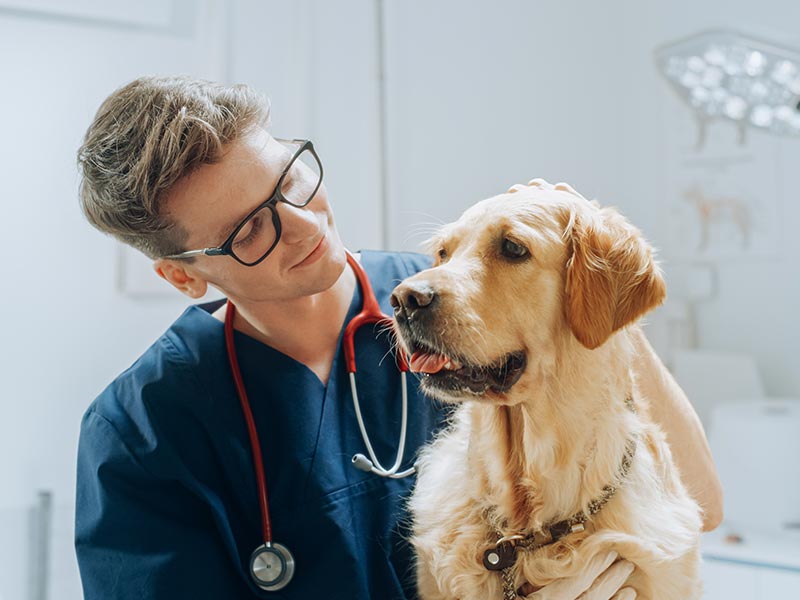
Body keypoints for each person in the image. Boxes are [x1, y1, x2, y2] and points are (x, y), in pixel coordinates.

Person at [74, 75, 723, 600]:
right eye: (250, 230)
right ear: (183, 277)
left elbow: (701, 502)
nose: (304, 226)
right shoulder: (141, 435)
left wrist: (585, 275)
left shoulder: (444, 300)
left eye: (291, 179)